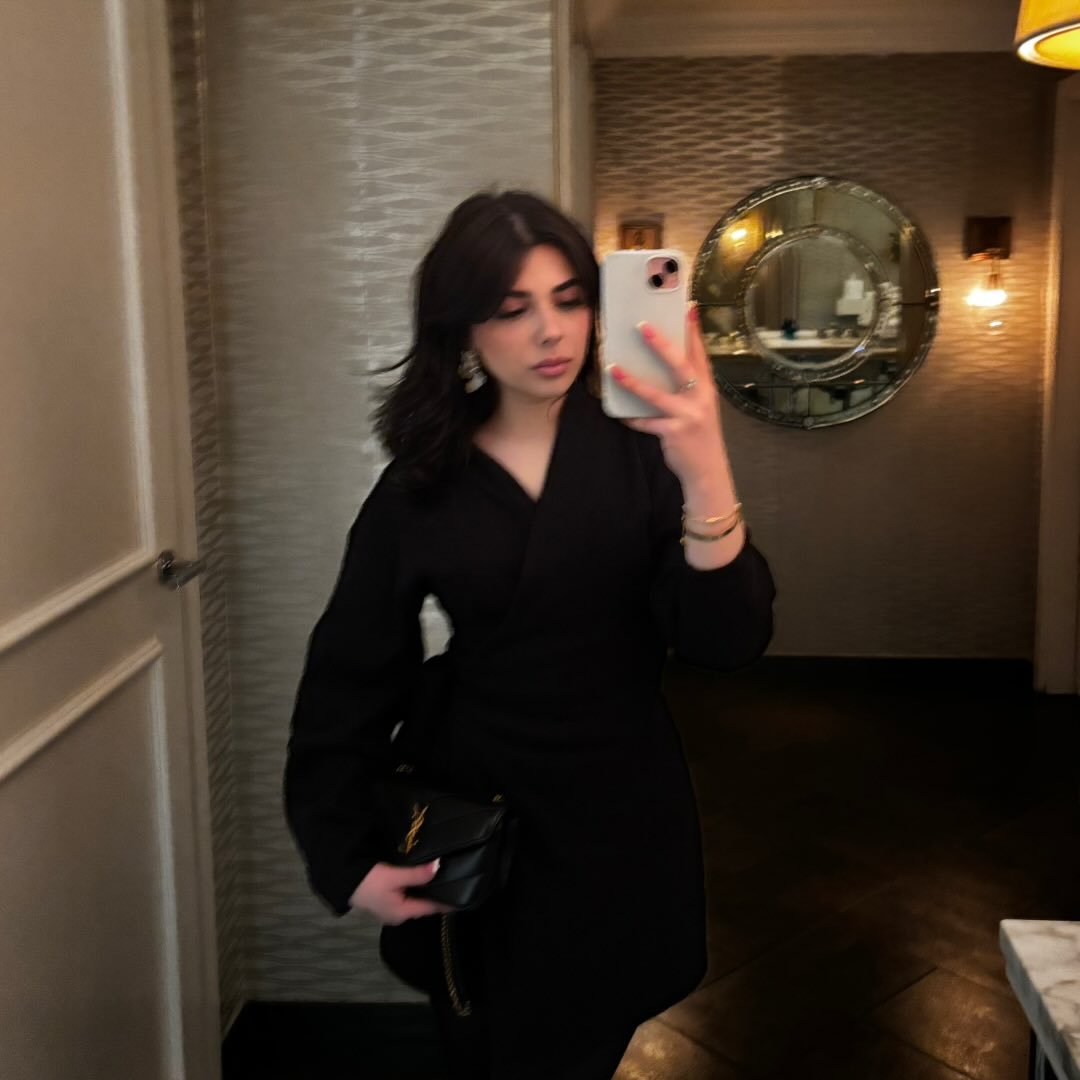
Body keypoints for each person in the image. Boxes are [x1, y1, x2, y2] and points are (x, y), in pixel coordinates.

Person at [283, 190, 776, 1079]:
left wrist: (706, 469)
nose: (550, 331)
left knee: (586, 1043)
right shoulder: (423, 484)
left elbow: (725, 642)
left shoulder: (642, 453)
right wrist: (342, 853)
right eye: (512, 309)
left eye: (569, 300)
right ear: (462, 330)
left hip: (619, 808)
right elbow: (351, 674)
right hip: (480, 814)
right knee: (486, 1044)